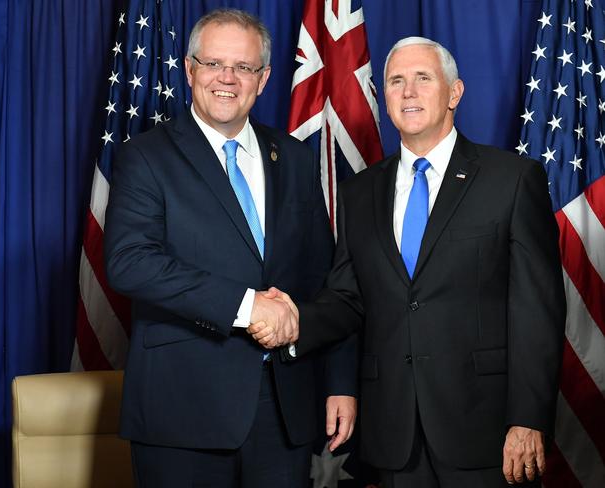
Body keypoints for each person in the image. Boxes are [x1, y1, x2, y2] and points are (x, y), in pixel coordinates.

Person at [250, 37, 566, 487]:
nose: (408, 92)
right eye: (396, 81)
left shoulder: (512, 180)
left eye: (423, 78)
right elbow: (347, 298)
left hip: (488, 430)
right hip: (394, 430)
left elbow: (538, 311)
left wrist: (529, 418)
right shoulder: (361, 192)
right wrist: (296, 319)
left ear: (454, 93)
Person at [104, 9, 357, 488]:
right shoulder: (146, 156)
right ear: (190, 68)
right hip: (182, 410)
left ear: (262, 79)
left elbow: (328, 280)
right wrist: (248, 307)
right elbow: (129, 262)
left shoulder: (296, 158)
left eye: (243, 67)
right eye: (214, 63)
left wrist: (341, 382)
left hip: (285, 410)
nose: (227, 79)